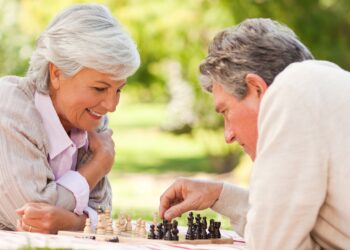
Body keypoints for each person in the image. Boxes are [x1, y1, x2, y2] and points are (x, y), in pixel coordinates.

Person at [159, 18, 350, 249]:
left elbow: (273, 245)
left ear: (257, 88)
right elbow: (291, 222)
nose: (227, 135)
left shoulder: (293, 89)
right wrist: (219, 195)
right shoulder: (324, 85)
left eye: (226, 111)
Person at [0, 3, 140, 234]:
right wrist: (97, 166)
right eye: (99, 88)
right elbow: (31, 215)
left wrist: (71, 222)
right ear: (57, 74)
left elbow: (101, 209)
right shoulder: (9, 107)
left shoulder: (90, 120)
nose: (111, 106)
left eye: (118, 90)